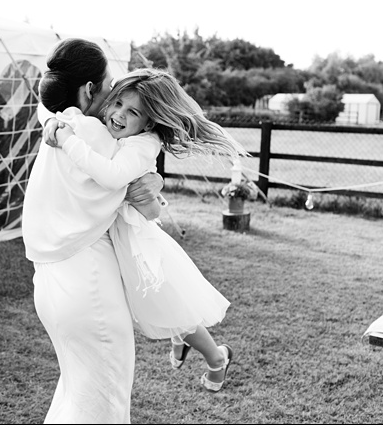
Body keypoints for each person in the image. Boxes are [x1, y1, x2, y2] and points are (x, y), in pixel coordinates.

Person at [45, 68, 242, 392]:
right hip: (113, 234)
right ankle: (183, 340)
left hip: (135, 239)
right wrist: (53, 121)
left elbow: (110, 175)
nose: (119, 114)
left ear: (149, 122)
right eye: (117, 102)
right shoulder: (119, 132)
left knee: (168, 303)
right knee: (150, 305)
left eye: (132, 111)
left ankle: (217, 359)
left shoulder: (143, 144)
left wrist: (65, 138)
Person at [22, 38, 163, 424]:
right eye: (111, 85)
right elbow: (139, 192)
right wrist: (154, 179)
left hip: (49, 287)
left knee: (75, 395)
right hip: (88, 290)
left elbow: (43, 106)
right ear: (89, 90)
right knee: (104, 402)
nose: (116, 97)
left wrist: (50, 120)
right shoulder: (99, 137)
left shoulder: (60, 119)